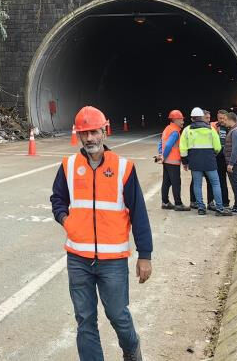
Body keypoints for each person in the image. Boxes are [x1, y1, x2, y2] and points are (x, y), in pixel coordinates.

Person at [50, 106, 152, 361]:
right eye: (84, 133)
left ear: (104, 132)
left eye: (94, 132)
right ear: (78, 135)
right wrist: (66, 220)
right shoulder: (69, 166)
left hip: (113, 260)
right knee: (85, 319)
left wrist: (145, 254)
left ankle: (132, 350)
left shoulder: (123, 168)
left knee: (118, 315)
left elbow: (138, 212)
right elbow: (57, 199)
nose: (89, 138)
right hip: (78, 258)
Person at [179, 107, 231, 216]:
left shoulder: (187, 130)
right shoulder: (210, 129)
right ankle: (220, 208)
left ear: (192, 118)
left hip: (195, 161)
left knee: (197, 184)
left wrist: (185, 162)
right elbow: (218, 147)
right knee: (215, 183)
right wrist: (212, 155)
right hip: (209, 160)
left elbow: (182, 148)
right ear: (202, 117)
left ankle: (201, 208)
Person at [155, 109, 189, 211]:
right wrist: (163, 156)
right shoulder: (175, 132)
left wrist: (161, 154)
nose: (183, 121)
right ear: (175, 120)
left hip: (167, 162)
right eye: (181, 119)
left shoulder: (167, 129)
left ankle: (165, 202)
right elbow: (169, 145)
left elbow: (161, 143)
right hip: (173, 162)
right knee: (176, 182)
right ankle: (178, 204)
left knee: (166, 182)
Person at [206, 110, 229, 212]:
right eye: (220, 118)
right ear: (217, 117)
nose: (222, 120)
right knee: (211, 181)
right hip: (214, 157)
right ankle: (210, 202)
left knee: (222, 180)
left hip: (224, 158)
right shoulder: (213, 126)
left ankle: (225, 202)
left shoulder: (230, 127)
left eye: (223, 118)